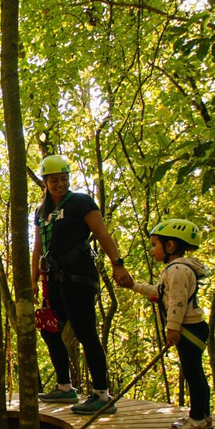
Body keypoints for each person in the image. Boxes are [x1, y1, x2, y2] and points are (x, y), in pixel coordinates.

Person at [32, 155, 133, 414]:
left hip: (79, 276)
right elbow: (38, 247)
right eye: (54, 180)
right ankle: (65, 387)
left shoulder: (81, 202)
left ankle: (101, 394)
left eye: (64, 179)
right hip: (53, 278)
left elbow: (101, 233)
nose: (60, 184)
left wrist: (117, 263)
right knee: (49, 331)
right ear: (45, 182)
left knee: (85, 332)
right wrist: (32, 279)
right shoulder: (41, 211)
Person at [125, 219, 212, 429]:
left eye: (155, 244)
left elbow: (177, 302)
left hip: (188, 329)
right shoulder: (176, 269)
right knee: (195, 373)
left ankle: (197, 419)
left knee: (193, 374)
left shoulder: (178, 270)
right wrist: (134, 286)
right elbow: (161, 292)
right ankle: (202, 416)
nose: (152, 250)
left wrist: (172, 328)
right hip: (192, 328)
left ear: (170, 245)